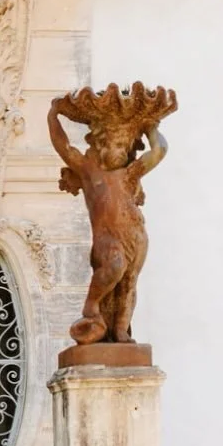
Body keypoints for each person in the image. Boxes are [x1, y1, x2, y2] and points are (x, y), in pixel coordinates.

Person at [47, 97, 168, 346]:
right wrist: (53, 116)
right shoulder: (89, 171)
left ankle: (121, 331)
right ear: (101, 144)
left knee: (129, 283)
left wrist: (151, 127)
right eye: (115, 143)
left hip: (136, 235)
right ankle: (91, 306)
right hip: (108, 239)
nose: (120, 150)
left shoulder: (129, 174)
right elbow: (63, 147)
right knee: (115, 266)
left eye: (124, 146)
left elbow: (159, 151)